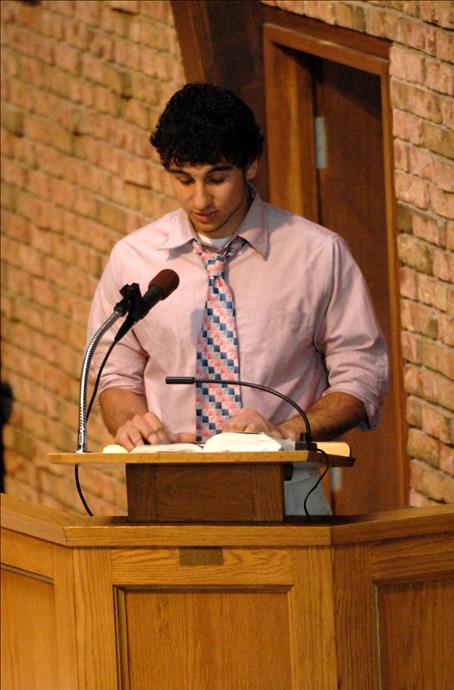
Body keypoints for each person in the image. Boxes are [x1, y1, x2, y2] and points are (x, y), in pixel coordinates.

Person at [87, 83, 389, 514]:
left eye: (217, 178)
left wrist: (286, 433)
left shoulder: (318, 254)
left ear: (250, 166)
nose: (200, 199)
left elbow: (362, 375)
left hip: (287, 495)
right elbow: (115, 374)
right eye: (183, 179)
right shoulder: (133, 258)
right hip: (165, 494)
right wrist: (132, 424)